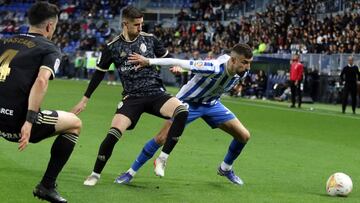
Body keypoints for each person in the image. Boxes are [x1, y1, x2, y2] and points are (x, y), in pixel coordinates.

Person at [71, 5, 188, 186]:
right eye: (136, 25)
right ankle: (95, 174)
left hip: (155, 92)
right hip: (132, 97)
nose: (141, 28)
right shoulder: (112, 47)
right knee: (113, 133)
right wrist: (85, 99)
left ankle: (163, 158)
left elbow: (167, 57)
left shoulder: (150, 40)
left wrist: (174, 66)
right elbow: (99, 74)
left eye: (142, 24)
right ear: (125, 24)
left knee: (181, 111)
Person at [115, 43, 253, 185]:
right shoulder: (212, 67)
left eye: (249, 63)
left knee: (243, 136)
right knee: (162, 138)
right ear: (233, 60)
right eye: (245, 62)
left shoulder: (242, 71)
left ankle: (225, 168)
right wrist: (148, 61)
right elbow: (178, 62)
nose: (248, 67)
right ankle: (130, 172)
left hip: (211, 104)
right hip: (188, 103)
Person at [0, 2, 82, 203]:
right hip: (16, 123)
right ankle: (47, 186)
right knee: (74, 124)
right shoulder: (49, 48)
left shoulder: (5, 42)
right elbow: (42, 80)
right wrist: (29, 121)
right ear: (49, 26)